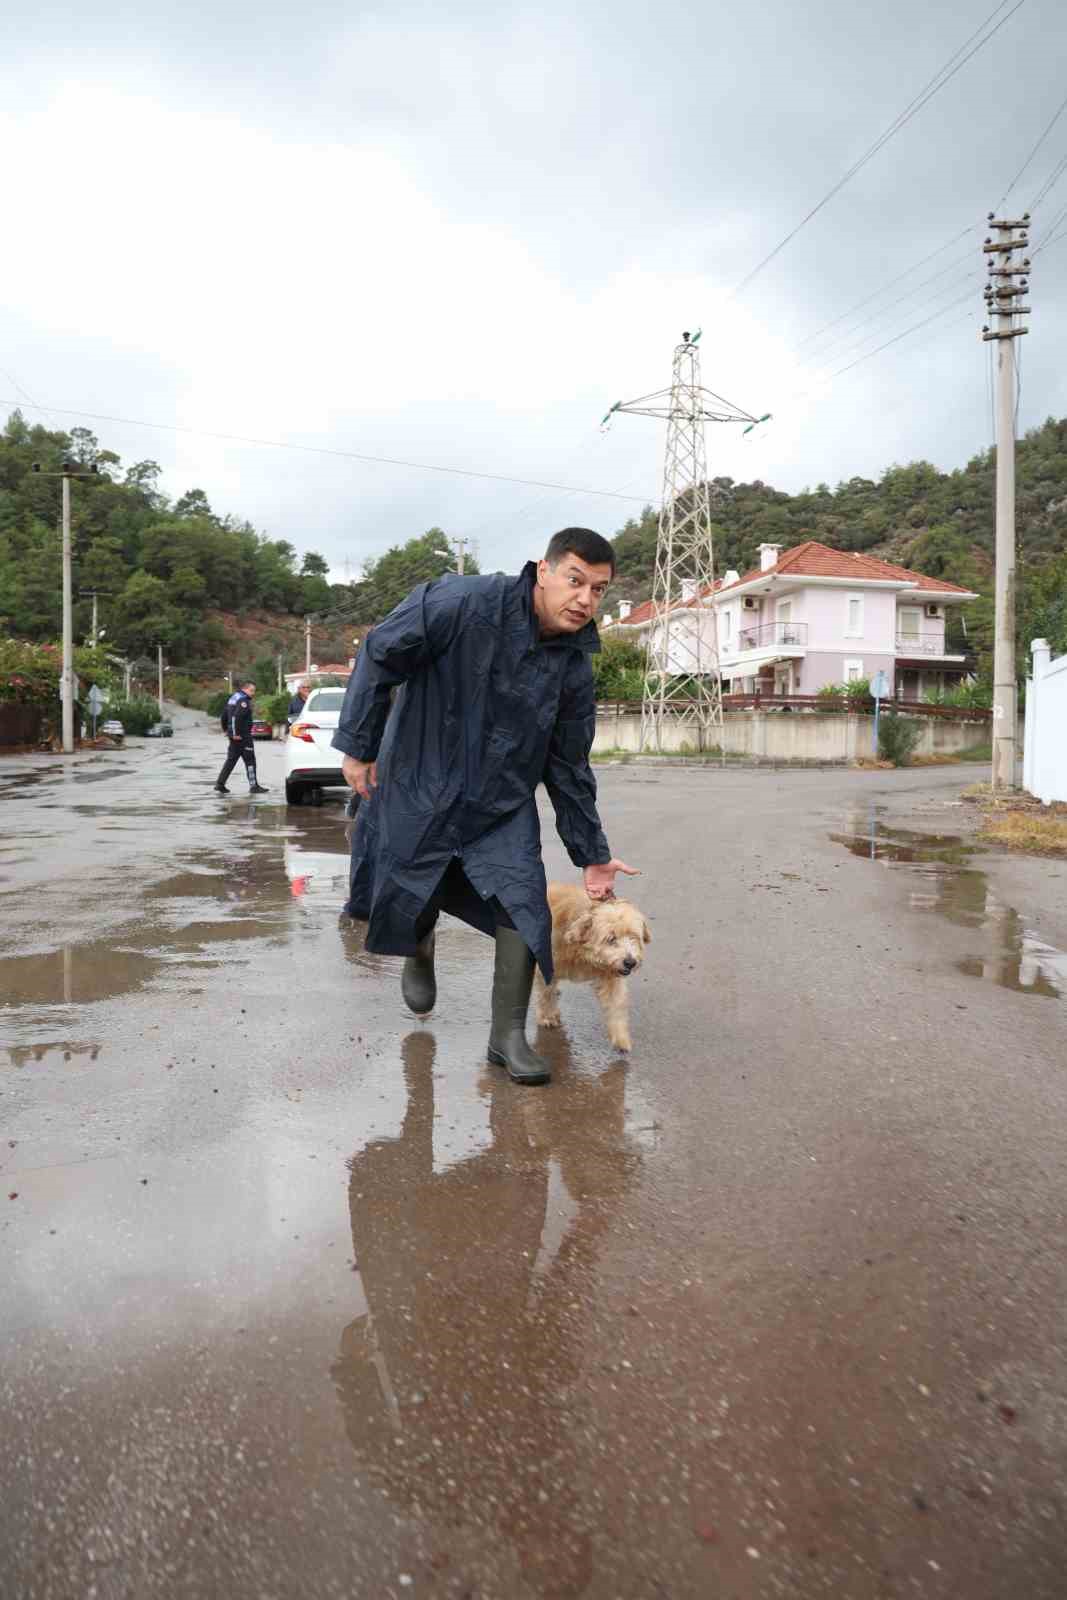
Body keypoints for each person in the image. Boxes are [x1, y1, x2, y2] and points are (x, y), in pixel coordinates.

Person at [331, 527, 637, 1087]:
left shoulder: (572, 665)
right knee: (414, 879)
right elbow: (381, 650)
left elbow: (568, 764)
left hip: (500, 799)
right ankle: (419, 945)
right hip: (422, 773)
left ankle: (507, 1038)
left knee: (524, 904)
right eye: (575, 581)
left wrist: (592, 854)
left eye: (598, 590)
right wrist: (359, 745)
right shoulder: (462, 603)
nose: (585, 600)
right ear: (543, 571)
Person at [214, 680, 269, 795]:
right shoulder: (243, 700)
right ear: (245, 689)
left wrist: (226, 730)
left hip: (235, 735)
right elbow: (236, 717)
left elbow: (224, 715)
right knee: (250, 761)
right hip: (242, 736)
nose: (253, 693)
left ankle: (220, 784)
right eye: (251, 690)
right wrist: (235, 733)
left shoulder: (233, 697)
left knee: (231, 760)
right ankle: (254, 786)